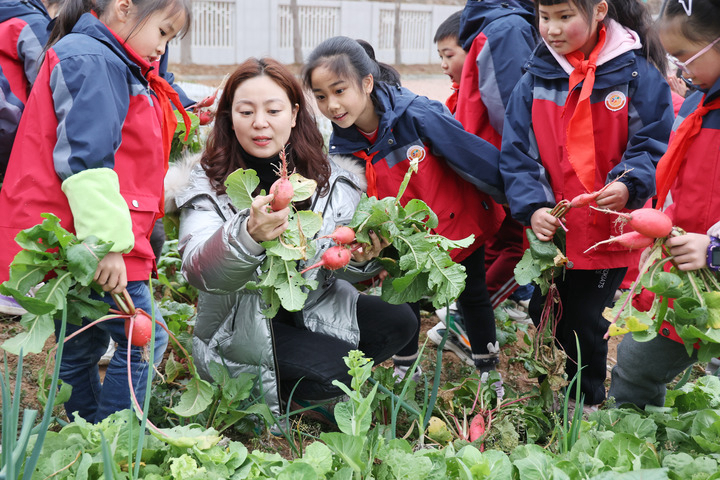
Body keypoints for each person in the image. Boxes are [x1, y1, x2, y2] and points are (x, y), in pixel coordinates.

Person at [175, 57, 417, 423]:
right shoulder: (206, 182)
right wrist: (247, 235)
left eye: (273, 110)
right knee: (340, 368)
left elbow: (341, 265)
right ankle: (272, 397)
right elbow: (199, 270)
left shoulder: (329, 177)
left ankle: (306, 383)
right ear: (228, 117)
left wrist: (360, 257)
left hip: (311, 305)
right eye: (246, 111)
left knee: (400, 321)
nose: (260, 123)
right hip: (239, 326)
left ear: (293, 113)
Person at [0, 0, 191, 422]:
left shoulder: (97, 55)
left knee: (79, 341)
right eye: (162, 31)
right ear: (124, 7)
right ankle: (116, 441)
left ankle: (86, 430)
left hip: (69, 236)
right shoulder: (94, 59)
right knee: (144, 339)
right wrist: (105, 246)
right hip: (93, 239)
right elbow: (87, 163)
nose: (162, 47)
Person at [499, 0, 674, 410]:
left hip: (606, 230)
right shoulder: (536, 77)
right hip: (554, 230)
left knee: (584, 321)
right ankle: (555, 391)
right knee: (546, 309)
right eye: (544, 17)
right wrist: (534, 208)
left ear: (599, 11)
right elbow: (518, 154)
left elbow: (651, 142)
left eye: (564, 17)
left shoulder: (634, 73)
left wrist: (630, 183)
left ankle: (586, 402)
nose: (552, 29)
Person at [303, 36, 507, 374]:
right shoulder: (341, 144)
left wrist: (523, 199)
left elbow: (472, 156)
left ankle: (488, 371)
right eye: (321, 96)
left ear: (366, 83)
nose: (332, 106)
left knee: (472, 293)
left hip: (455, 227)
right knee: (402, 296)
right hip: (403, 237)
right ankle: (405, 369)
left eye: (340, 91)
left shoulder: (417, 115)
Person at [609, 0, 720, 408]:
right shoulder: (697, 102)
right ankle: (629, 442)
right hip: (685, 278)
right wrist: (661, 226)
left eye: (685, 57)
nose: (679, 70)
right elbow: (680, 183)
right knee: (637, 365)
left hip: (710, 261)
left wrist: (714, 249)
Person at [428, 3, 538, 364]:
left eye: (449, 55)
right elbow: (513, 115)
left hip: (493, 174)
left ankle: (470, 312)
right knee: (514, 248)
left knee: (503, 247)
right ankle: (467, 314)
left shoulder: (498, 30)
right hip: (499, 174)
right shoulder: (506, 29)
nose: (444, 64)